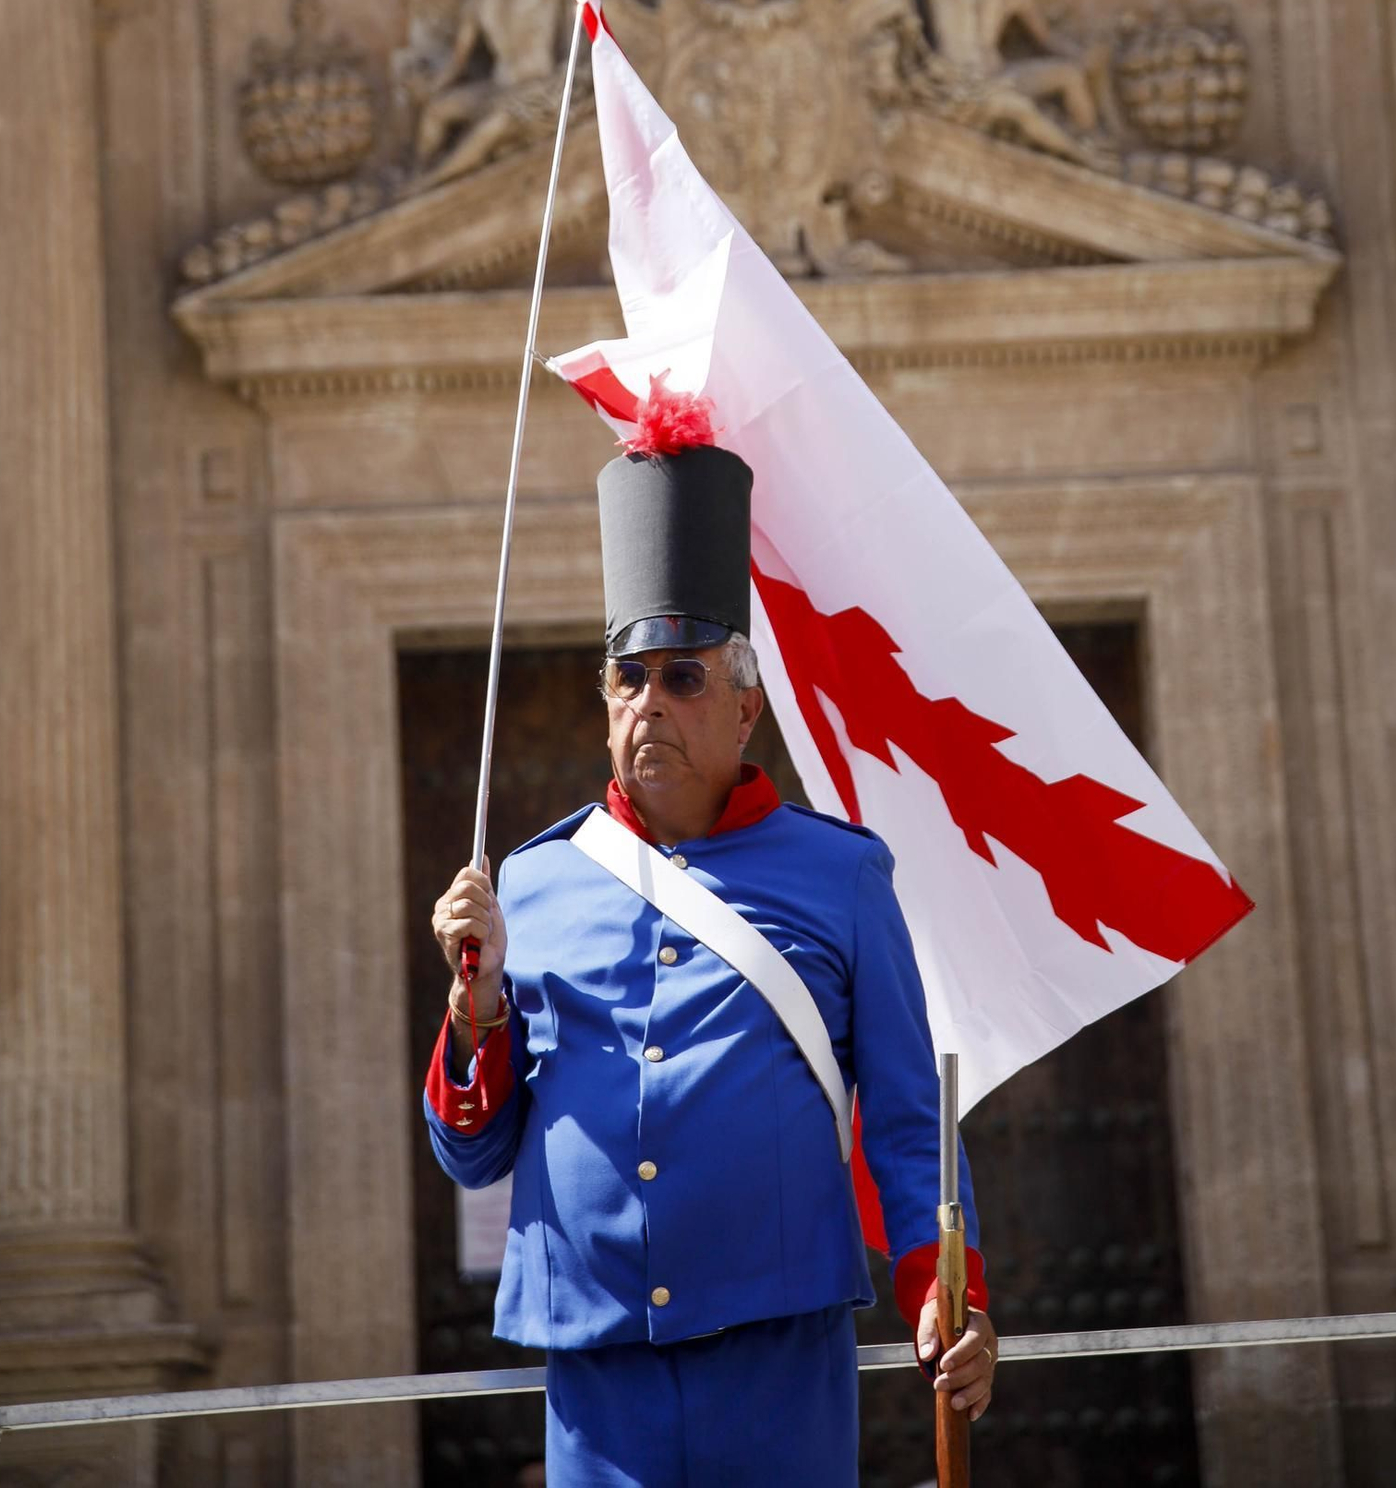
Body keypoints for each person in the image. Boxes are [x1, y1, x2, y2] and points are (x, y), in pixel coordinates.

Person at [424, 404, 997, 1487]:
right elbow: (471, 1151)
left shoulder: (840, 876)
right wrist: (476, 1007)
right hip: (597, 1362)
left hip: (775, 1343)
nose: (651, 702)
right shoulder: (531, 884)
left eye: (682, 677)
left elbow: (912, 1122)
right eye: (628, 678)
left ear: (743, 712)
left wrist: (944, 1294)